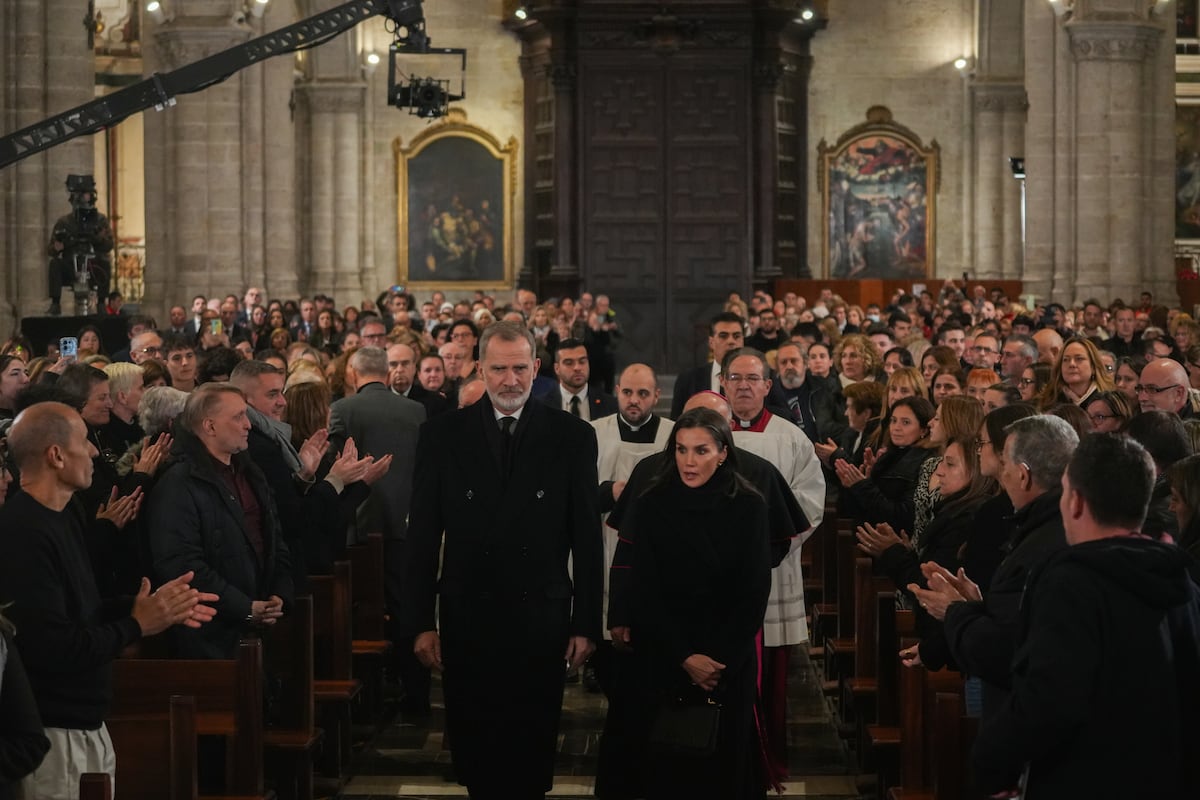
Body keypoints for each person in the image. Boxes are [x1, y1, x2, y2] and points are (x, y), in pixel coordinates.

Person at [401, 321, 602, 799]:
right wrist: (419, 623)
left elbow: (587, 539)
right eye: (498, 369)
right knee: (477, 746)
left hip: (541, 613)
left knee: (531, 744)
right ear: (480, 369)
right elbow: (423, 537)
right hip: (469, 610)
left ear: (536, 368)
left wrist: (586, 623)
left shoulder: (572, 436)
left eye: (519, 369)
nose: (510, 380)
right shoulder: (441, 435)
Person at [0, 402, 217, 796]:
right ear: (56, 455)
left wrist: (147, 608)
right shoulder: (23, 532)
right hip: (54, 732)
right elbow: (52, 647)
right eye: (85, 441)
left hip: (84, 721)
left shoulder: (63, 515)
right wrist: (136, 624)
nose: (95, 452)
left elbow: (82, 613)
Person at [972, 434, 1200, 798]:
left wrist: (993, 766)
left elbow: (1048, 701)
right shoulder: (1181, 582)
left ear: (1075, 501)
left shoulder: (1072, 583)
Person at [628, 407, 772, 799]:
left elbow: (753, 591)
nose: (689, 461)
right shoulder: (652, 503)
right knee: (667, 772)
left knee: (724, 770)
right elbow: (643, 589)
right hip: (666, 654)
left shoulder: (749, 506)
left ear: (723, 452)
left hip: (726, 661)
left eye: (701, 450)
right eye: (681, 449)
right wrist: (683, 656)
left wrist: (716, 659)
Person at [147, 384, 293, 659]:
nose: (248, 425)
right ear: (210, 426)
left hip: (256, 624)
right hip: (209, 638)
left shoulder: (249, 472)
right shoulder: (178, 484)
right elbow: (182, 565)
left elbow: (274, 538)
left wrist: (279, 593)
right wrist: (244, 607)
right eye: (238, 417)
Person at [328, 347, 427, 709]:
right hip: (405, 523)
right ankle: (416, 693)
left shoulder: (342, 409)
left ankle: (366, 698)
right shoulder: (416, 410)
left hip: (360, 526)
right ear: (386, 374)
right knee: (405, 607)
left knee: (358, 610)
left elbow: (336, 467)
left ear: (352, 374)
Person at [46, 175, 113, 315]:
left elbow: (109, 245)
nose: (82, 198)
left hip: (93, 265)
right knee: (55, 264)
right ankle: (55, 303)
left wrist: (99, 239)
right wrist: (57, 247)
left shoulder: (101, 220)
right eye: (78, 194)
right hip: (71, 265)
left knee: (105, 262)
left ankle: (101, 302)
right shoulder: (64, 222)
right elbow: (51, 249)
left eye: (85, 194)